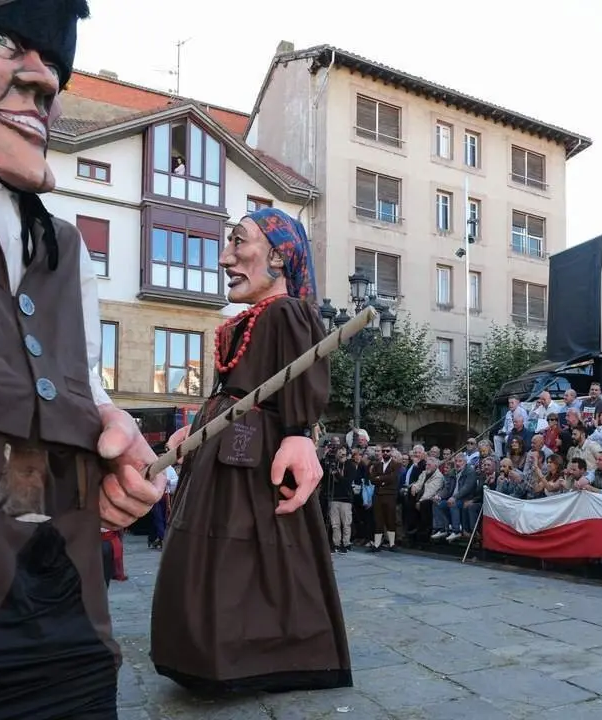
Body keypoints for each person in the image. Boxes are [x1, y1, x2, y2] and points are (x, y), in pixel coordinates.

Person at [0, 2, 165, 717]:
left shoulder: (64, 246)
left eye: (55, 57)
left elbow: (69, 384)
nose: (42, 77)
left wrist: (112, 432)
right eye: (3, 38)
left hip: (69, 616)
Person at [150, 207, 351, 694]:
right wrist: (190, 432)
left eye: (239, 243)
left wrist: (301, 434)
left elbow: (303, 381)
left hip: (257, 458)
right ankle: (219, 653)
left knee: (251, 553)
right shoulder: (253, 318)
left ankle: (259, 654)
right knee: (226, 553)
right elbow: (234, 393)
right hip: (227, 451)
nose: (226, 257)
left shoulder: (288, 312)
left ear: (279, 257)